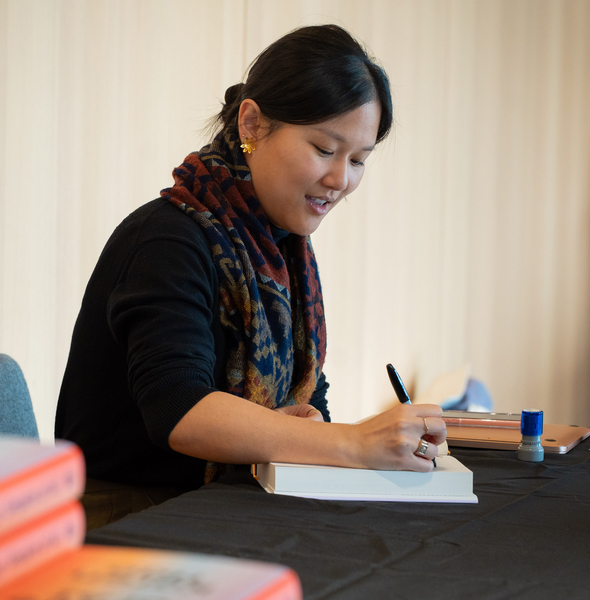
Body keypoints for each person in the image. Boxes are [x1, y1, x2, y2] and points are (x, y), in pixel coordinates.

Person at [55, 24, 447, 528]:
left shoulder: (277, 246)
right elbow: (180, 409)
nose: (340, 180)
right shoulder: (168, 240)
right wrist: (349, 442)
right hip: (129, 516)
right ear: (253, 125)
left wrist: (309, 425)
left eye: (358, 160)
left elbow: (308, 390)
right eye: (324, 149)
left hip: (218, 501)